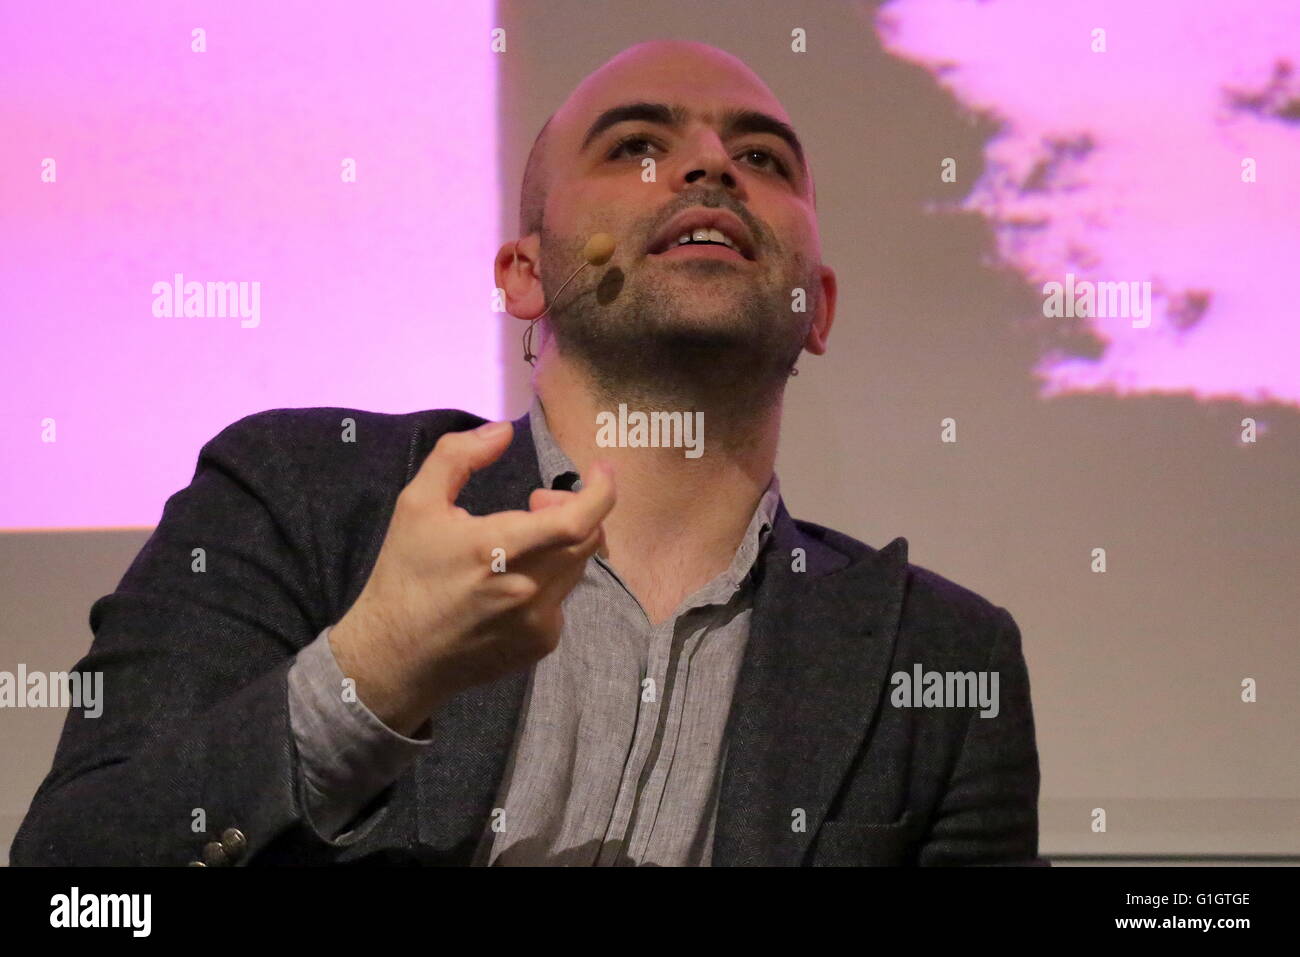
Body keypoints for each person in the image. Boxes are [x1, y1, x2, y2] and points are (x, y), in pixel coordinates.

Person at [13, 40, 1042, 867]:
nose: (708, 168)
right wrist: (365, 677)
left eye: (762, 160)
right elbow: (76, 885)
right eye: (635, 144)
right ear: (522, 274)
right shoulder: (300, 496)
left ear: (815, 307)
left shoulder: (937, 655)